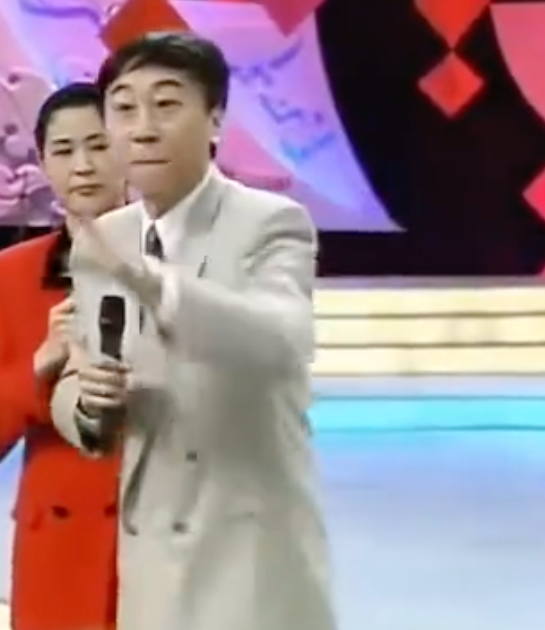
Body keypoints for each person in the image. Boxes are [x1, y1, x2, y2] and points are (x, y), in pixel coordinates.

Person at [49, 33, 337, 630]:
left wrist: (152, 282)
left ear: (215, 120)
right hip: (149, 558)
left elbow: (282, 340)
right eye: (123, 108)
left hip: (249, 559)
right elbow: (80, 369)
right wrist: (85, 402)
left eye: (166, 104)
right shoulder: (105, 239)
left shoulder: (272, 222)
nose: (142, 129)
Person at [0, 82, 125, 630]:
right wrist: (42, 361)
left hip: (155, 527)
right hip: (58, 536)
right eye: (64, 150)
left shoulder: (175, 260)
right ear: (43, 163)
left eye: (99, 145)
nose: (83, 165)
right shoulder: (12, 272)